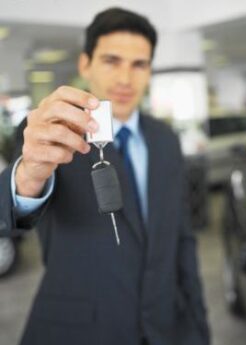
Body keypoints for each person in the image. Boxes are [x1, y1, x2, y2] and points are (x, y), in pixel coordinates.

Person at [0, 8, 210, 345]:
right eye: (112, 60)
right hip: (79, 331)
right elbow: (9, 221)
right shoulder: (51, 133)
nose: (126, 78)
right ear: (86, 64)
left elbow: (181, 239)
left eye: (138, 64)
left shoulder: (166, 140)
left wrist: (198, 329)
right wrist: (26, 178)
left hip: (165, 329)